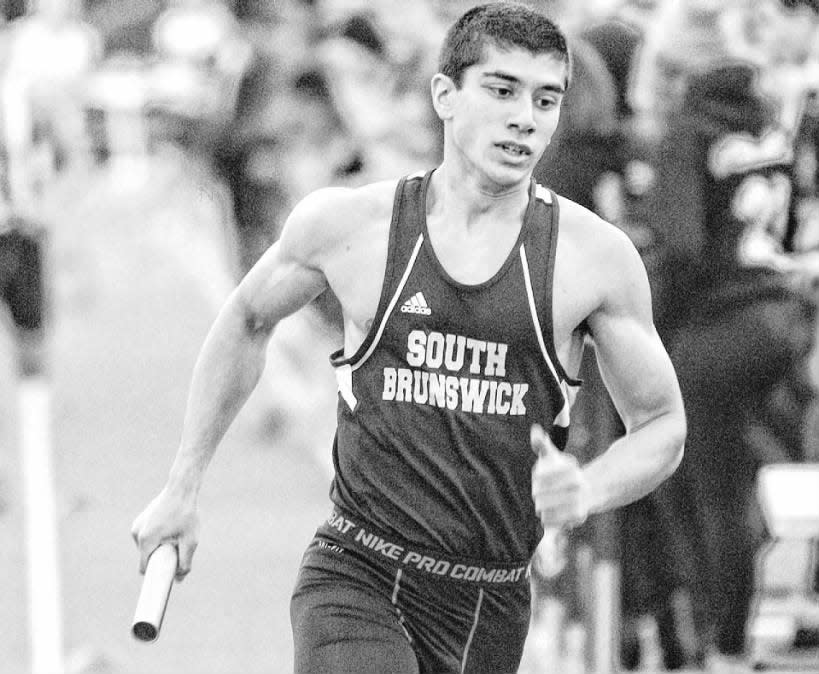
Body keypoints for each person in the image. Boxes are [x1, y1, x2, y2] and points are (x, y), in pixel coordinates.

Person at [130, 3, 686, 672]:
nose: (524, 118)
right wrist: (182, 486)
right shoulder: (350, 225)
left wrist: (588, 490)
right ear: (444, 96)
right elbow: (247, 319)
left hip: (488, 599)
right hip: (354, 570)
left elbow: (660, 423)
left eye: (545, 99)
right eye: (501, 90)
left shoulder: (593, 259)